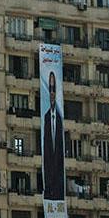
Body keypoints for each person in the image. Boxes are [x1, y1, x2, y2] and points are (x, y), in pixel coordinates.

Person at [42, 71, 65, 200]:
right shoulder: (45, 117)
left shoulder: (61, 119)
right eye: (49, 89)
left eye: (53, 89)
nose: (51, 93)